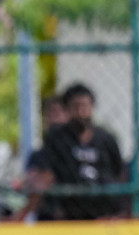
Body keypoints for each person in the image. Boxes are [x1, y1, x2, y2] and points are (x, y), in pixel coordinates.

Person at [40, 83, 125, 219]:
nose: (81, 112)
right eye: (75, 107)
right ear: (67, 110)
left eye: (85, 106)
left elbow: (118, 171)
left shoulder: (106, 138)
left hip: (103, 213)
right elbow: (47, 174)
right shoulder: (56, 138)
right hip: (69, 214)